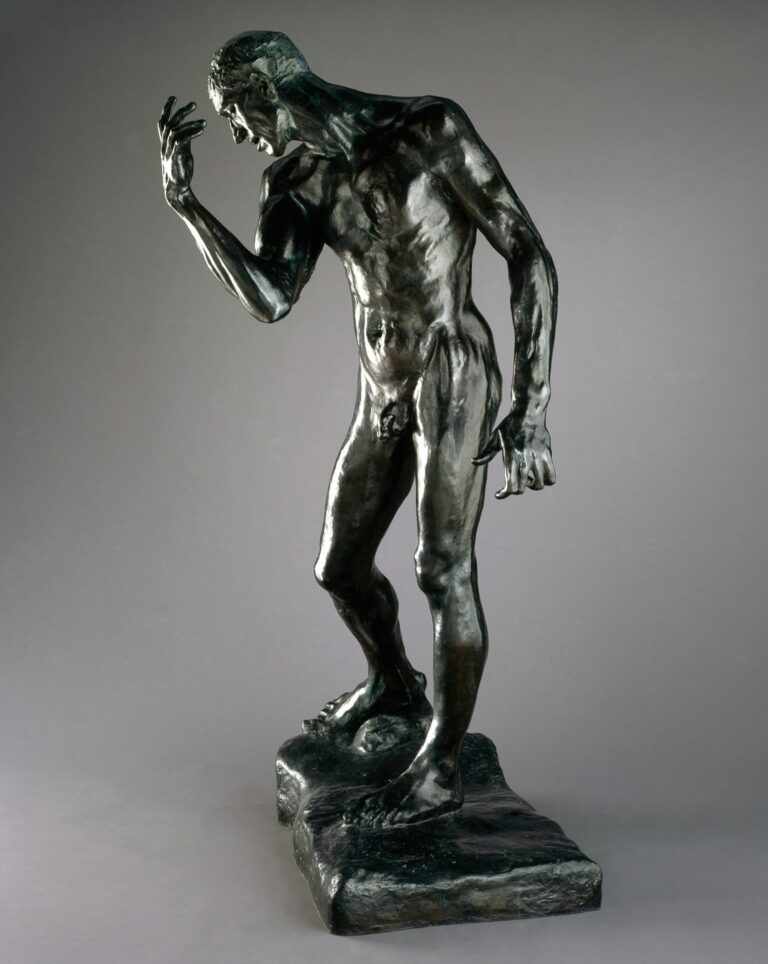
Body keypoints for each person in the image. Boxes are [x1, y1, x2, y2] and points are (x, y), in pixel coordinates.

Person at [158, 31, 557, 827]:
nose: (236, 132)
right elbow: (272, 298)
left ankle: (441, 766)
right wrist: (188, 207)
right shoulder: (296, 178)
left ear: (269, 89)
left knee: (441, 567)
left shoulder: (428, 130)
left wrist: (533, 405)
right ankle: (395, 683)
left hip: (449, 367)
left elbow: (526, 250)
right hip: (381, 386)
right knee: (338, 567)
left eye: (235, 113)